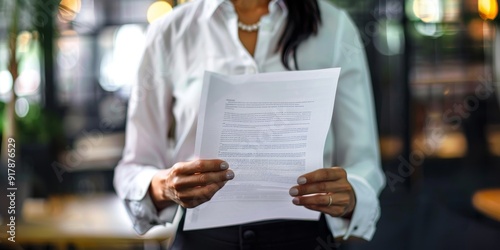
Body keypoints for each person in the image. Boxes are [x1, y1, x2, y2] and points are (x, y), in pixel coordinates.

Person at [114, 0, 385, 249]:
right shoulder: (170, 31)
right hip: (203, 241)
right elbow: (134, 166)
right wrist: (164, 186)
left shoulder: (334, 26)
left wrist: (351, 195)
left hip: (306, 239)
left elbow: (363, 163)